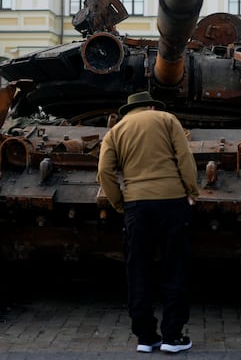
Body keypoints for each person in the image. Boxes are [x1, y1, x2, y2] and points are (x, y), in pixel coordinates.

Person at [97, 91, 199, 354]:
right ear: (151, 105)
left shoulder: (116, 131)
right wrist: (192, 190)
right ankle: (172, 336)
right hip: (173, 201)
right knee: (176, 268)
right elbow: (184, 158)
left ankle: (145, 336)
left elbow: (104, 172)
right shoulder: (166, 119)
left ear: (129, 110)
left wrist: (120, 202)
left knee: (138, 270)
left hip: (136, 206)